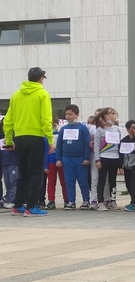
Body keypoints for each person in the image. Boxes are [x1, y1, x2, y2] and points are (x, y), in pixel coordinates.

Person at [4, 67, 54, 216]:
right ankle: (31, 206)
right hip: (36, 137)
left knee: (23, 173)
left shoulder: (16, 95)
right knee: (36, 173)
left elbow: (8, 120)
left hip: (19, 137)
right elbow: (46, 119)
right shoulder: (42, 94)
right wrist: (50, 140)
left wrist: (8, 139)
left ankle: (18, 205)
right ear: (41, 79)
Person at [56, 104, 91, 209]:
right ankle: (71, 201)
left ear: (76, 115)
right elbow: (59, 145)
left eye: (70, 114)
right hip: (67, 159)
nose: (68, 116)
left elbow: (87, 143)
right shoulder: (63, 129)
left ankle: (86, 200)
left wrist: (86, 158)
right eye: (66, 114)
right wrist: (59, 159)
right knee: (69, 181)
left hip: (80, 159)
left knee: (83, 181)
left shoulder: (83, 128)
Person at [94, 108, 121, 211]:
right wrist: (97, 160)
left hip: (115, 158)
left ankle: (112, 201)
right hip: (104, 157)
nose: (114, 116)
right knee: (101, 180)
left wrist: (120, 160)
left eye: (115, 114)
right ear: (105, 116)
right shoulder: (100, 130)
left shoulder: (117, 129)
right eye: (111, 114)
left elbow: (119, 145)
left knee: (112, 180)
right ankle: (100, 202)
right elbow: (96, 146)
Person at [119, 120, 135, 212]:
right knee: (128, 183)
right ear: (128, 130)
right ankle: (134, 199)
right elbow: (121, 153)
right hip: (126, 165)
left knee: (133, 182)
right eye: (133, 128)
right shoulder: (124, 140)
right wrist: (120, 165)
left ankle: (134, 202)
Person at [0, 117, 19, 209]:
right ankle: (8, 198)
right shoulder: (1, 136)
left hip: (13, 162)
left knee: (13, 181)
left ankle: (12, 200)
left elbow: (20, 148)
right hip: (4, 163)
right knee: (7, 182)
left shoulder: (15, 136)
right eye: (4, 125)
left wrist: (14, 147)